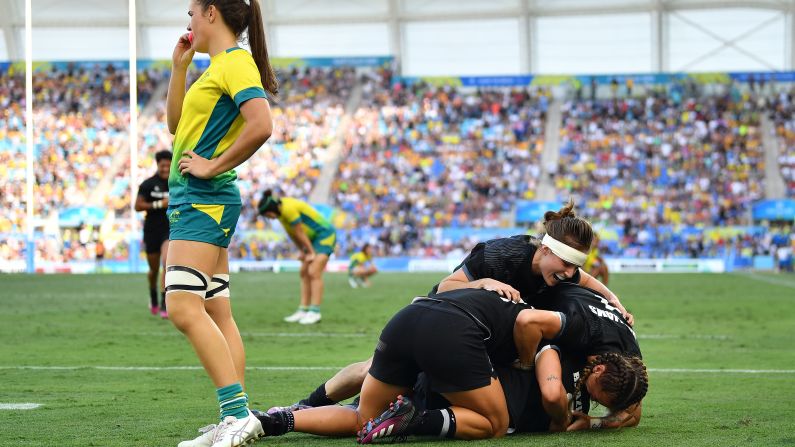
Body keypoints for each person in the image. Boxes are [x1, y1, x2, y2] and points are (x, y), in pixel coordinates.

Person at [282, 201, 632, 408]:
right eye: (565, 264)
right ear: (543, 250)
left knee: (415, 386)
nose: (570, 273)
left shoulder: (563, 271)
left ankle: (368, 407)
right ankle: (310, 405)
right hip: (444, 316)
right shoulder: (500, 254)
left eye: (575, 266)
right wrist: (483, 282)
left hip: (483, 333)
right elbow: (447, 287)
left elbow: (586, 280)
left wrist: (614, 299)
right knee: (377, 368)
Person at [256, 285, 647, 442]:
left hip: (414, 314)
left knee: (363, 413)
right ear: (596, 367)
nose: (593, 399)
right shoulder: (553, 342)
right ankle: (414, 422)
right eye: (598, 395)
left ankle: (278, 418)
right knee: (495, 424)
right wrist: (563, 420)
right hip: (453, 339)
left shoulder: (503, 287)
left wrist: (597, 419)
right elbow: (547, 386)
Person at [164, 1, 276, 446]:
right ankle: (238, 415)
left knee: (182, 306)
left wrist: (211, 167)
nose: (187, 22)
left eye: (191, 12)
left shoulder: (235, 63)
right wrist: (178, 70)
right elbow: (176, 129)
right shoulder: (216, 68)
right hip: (199, 199)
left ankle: (236, 415)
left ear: (211, 13)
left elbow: (262, 124)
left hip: (203, 198)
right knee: (214, 309)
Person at [258, 190, 336, 325]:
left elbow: (299, 232)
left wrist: (310, 252)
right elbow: (293, 235)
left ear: (271, 210)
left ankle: (315, 312)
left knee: (314, 271)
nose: (269, 218)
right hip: (312, 240)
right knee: (304, 272)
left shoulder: (288, 208)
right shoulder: (281, 214)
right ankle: (304, 309)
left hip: (324, 234)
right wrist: (303, 251)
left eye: (267, 215)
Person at [134, 149, 172, 318]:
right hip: (151, 230)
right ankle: (153, 295)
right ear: (158, 165)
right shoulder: (148, 184)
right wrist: (159, 204)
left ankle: (165, 303)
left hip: (169, 229)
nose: (165, 169)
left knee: (167, 263)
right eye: (162, 165)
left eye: (168, 165)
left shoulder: (176, 183)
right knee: (153, 270)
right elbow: (138, 206)